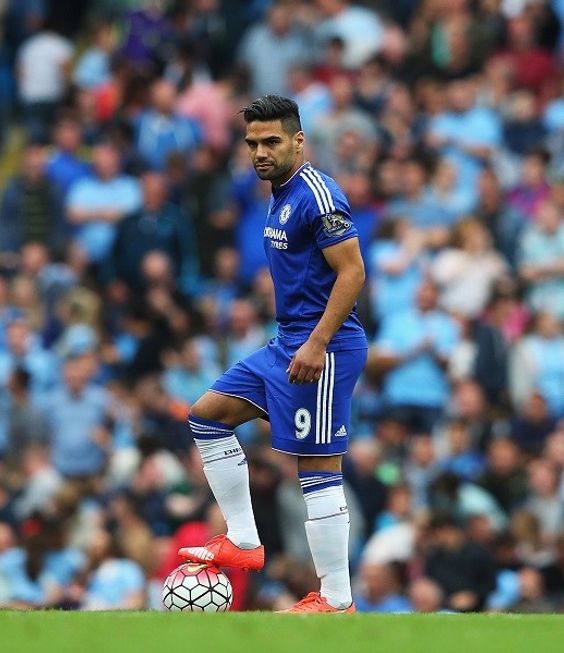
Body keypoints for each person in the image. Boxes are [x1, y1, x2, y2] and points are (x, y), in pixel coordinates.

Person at [178, 96, 367, 614]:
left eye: (271, 142)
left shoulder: (317, 196)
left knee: (318, 471)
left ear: (298, 141)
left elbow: (353, 273)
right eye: (252, 143)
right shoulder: (278, 191)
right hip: (286, 342)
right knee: (207, 416)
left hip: (321, 348)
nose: (260, 152)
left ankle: (337, 599)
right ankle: (243, 540)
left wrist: (317, 342)